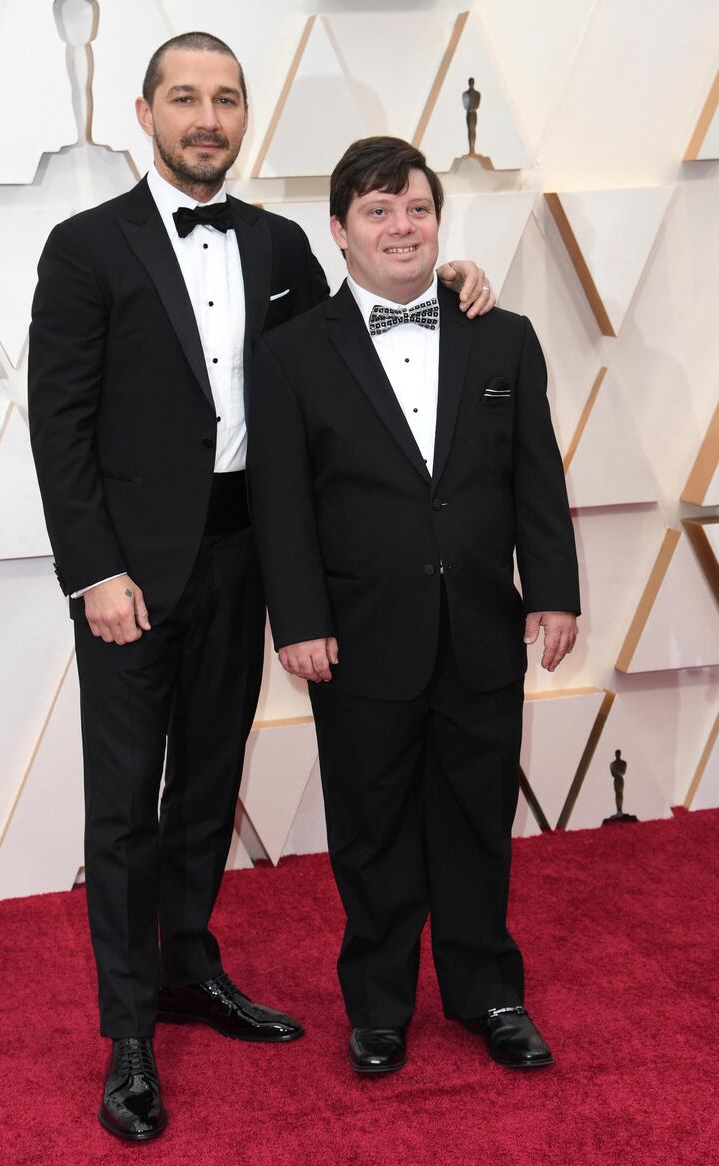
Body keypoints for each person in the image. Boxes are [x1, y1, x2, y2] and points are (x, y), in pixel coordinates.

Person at [28, 34, 496, 1141]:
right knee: (123, 805)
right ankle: (130, 1033)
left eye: (224, 99)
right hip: (130, 575)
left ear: (244, 116)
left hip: (247, 557)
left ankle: (190, 967)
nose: (206, 116)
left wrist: (452, 285)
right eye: (184, 98)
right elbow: (61, 425)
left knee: (205, 789)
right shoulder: (85, 247)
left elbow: (350, 350)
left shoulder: (283, 243)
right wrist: (94, 567)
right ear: (142, 112)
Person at [247, 136, 579, 1077]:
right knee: (372, 825)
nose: (403, 227)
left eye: (418, 209)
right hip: (357, 637)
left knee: (477, 816)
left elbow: (534, 479)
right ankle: (380, 1006)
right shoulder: (291, 354)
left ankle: (490, 994)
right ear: (341, 232)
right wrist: (300, 620)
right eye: (379, 212)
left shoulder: (502, 334)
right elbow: (283, 504)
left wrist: (553, 592)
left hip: (480, 627)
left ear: (439, 221)